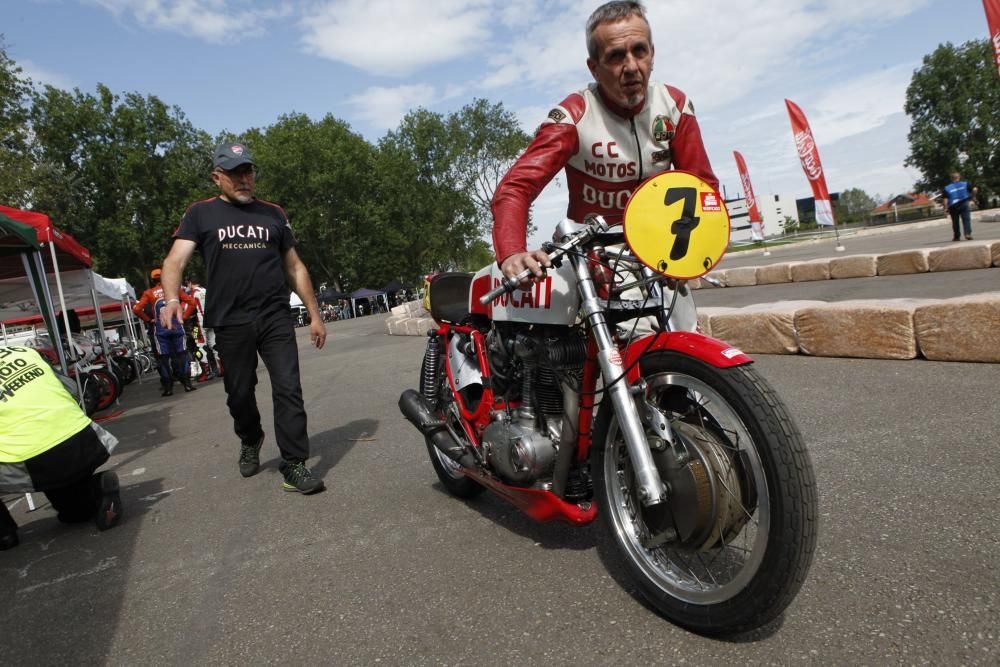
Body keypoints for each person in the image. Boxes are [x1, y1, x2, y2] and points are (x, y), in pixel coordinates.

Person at [491, 1, 718, 282]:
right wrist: (512, 252)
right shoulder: (573, 116)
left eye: (639, 51)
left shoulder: (675, 106)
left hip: (659, 256)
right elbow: (515, 187)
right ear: (594, 68)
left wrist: (696, 251)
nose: (632, 66)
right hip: (591, 261)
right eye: (616, 56)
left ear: (652, 54)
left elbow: (704, 189)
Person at [158, 141, 327, 495]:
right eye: (235, 173)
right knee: (239, 392)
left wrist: (315, 314)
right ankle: (250, 437)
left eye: (248, 171)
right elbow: (174, 261)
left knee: (288, 388)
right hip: (231, 319)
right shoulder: (200, 214)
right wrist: (171, 299)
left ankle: (294, 463)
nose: (243, 179)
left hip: (274, 316)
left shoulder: (274, 214)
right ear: (217, 177)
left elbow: (294, 266)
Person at [0, 345, 122, 550]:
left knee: (47, 468)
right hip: (82, 439)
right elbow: (72, 389)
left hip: (33, 459)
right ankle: (96, 487)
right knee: (75, 514)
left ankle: (3, 534)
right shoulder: (22, 351)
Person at [133, 268, 198, 396]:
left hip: (160, 330)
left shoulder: (149, 293)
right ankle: (187, 385)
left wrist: (148, 320)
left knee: (163, 359)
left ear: (152, 280)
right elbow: (192, 303)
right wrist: (183, 317)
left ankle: (168, 389)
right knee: (182, 355)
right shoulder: (174, 290)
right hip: (177, 328)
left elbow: (137, 309)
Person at [943, 172, 978, 241]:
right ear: (959, 177)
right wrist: (973, 197)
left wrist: (945, 209)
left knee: (955, 221)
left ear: (951, 179)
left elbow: (945, 199)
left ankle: (957, 236)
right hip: (964, 203)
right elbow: (975, 189)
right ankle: (967, 234)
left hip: (953, 206)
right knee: (966, 219)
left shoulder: (947, 188)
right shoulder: (965, 184)